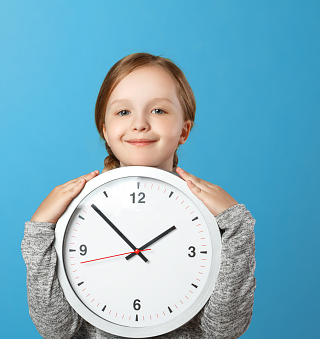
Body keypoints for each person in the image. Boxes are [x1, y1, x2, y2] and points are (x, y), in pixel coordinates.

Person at [21, 53, 256, 338]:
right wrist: (40, 229)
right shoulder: (75, 211)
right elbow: (56, 330)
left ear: (184, 130)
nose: (140, 123)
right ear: (105, 131)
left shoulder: (211, 213)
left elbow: (223, 330)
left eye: (158, 110)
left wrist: (237, 225)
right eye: (123, 112)